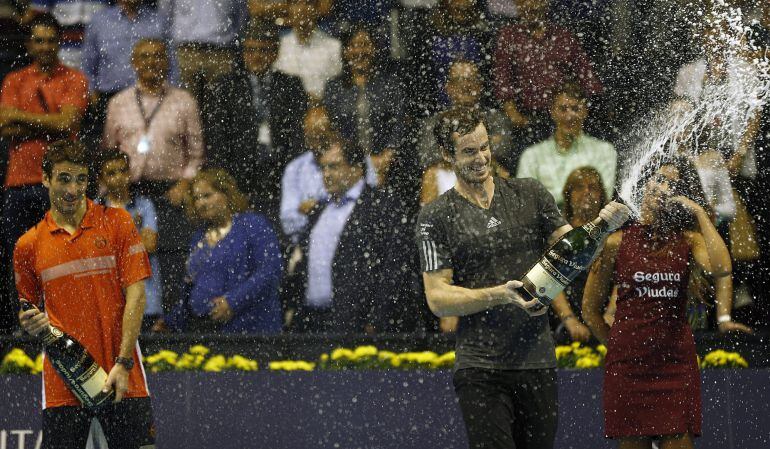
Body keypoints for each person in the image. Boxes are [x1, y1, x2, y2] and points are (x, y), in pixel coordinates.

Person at [416, 107, 629, 449]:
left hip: (538, 362)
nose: (482, 158)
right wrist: (501, 294)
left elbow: (574, 255)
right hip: (479, 368)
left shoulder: (529, 193)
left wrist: (602, 226)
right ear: (446, 155)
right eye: (469, 151)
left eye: (485, 147)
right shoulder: (434, 217)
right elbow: (437, 299)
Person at [582, 157, 752, 449]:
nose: (662, 188)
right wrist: (617, 347)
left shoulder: (688, 240)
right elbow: (589, 310)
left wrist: (699, 212)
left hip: (675, 366)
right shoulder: (616, 242)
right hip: (628, 370)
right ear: (642, 184)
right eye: (657, 179)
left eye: (672, 184)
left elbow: (722, 269)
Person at [15, 139, 155, 449]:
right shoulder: (28, 245)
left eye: (81, 179)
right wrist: (31, 322)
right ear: (46, 178)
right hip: (63, 383)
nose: (72, 189)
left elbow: (137, 296)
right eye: (63, 178)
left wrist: (123, 362)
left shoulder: (117, 222)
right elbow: (28, 313)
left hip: (122, 374)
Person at [0, 12, 89, 333]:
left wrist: (21, 118)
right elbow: (3, 124)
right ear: (29, 44)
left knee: (66, 256)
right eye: (39, 40)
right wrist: (49, 121)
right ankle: (25, 331)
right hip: (20, 183)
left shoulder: (74, 78)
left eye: (51, 40)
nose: (45, 46)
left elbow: (68, 124)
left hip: (63, 184)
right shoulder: (14, 80)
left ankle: (68, 326)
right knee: (21, 261)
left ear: (60, 42)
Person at [201, 23, 307, 219]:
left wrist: (293, 173)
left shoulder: (291, 86)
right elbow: (217, 138)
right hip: (239, 173)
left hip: (280, 171)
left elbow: (298, 135)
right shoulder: (225, 87)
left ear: (275, 52)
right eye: (251, 50)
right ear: (243, 53)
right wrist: (226, 183)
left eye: (263, 50)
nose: (257, 56)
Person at [163, 168, 283, 334]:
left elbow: (270, 270)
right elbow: (190, 285)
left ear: (226, 194)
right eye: (197, 198)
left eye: (207, 195)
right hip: (203, 330)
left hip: (249, 330)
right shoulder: (199, 236)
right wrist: (170, 321)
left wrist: (232, 302)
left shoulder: (253, 225)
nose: (201, 203)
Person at [516, 83, 616, 207]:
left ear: (585, 111)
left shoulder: (604, 151)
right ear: (552, 112)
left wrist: (547, 201)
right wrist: (576, 196)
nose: (569, 116)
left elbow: (603, 196)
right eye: (563, 109)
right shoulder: (531, 155)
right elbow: (524, 201)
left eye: (575, 109)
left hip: (589, 223)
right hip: (545, 225)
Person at [96, 149, 164, 332]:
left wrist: (113, 237)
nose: (118, 177)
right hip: (109, 301)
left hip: (146, 300)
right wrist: (132, 230)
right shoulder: (93, 209)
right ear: (101, 180)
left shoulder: (145, 204)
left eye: (122, 171)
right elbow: (96, 252)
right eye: (111, 173)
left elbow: (149, 245)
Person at [548, 166, 607, 344]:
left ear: (601, 195)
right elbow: (550, 279)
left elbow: (623, 280)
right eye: (579, 187)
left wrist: (610, 315)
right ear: (568, 194)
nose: (587, 192)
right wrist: (569, 319)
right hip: (563, 320)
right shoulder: (557, 233)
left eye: (593, 188)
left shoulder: (613, 233)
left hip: (606, 315)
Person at [273, 0, 342, 101]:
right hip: (287, 109)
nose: (302, 8)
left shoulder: (334, 47)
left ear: (317, 9)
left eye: (308, 3)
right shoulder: (279, 47)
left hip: (324, 110)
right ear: (288, 8)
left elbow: (335, 88)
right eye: (296, 3)